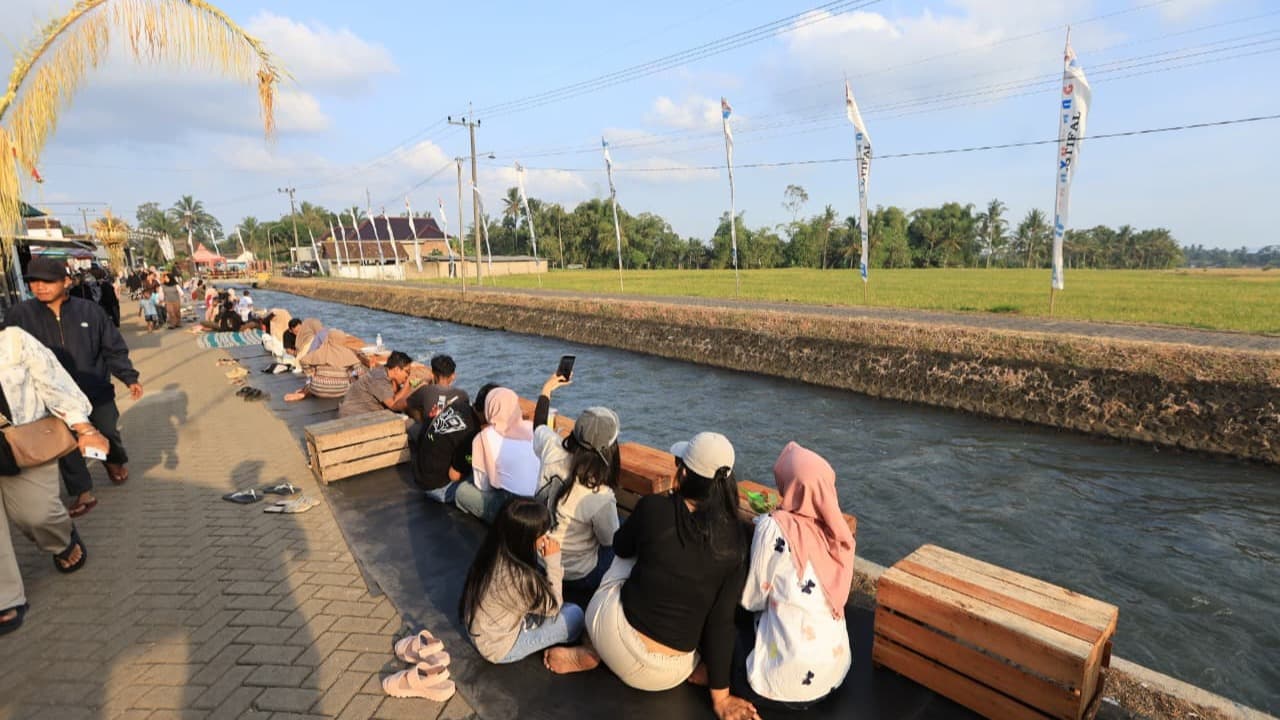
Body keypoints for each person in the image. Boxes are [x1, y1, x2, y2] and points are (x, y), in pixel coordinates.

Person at [545, 432, 757, 720]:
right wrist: (721, 698)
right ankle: (695, 668)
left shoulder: (655, 508)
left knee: (625, 559)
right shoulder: (735, 541)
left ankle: (591, 646)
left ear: (682, 474)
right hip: (668, 676)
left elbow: (620, 546)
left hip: (611, 637)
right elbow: (721, 622)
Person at [7, 257, 144, 510]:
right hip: (50, 396)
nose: (39, 287)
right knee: (66, 444)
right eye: (33, 282)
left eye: (47, 281)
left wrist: (129, 377)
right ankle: (83, 492)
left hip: (95, 388)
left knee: (108, 429)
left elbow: (112, 347)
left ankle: (113, 460)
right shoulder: (19, 316)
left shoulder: (90, 311)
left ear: (66, 281)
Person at [0, 323, 109, 636]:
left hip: (24, 439)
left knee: (37, 514)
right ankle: (5, 597)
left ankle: (60, 539)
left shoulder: (14, 340)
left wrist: (84, 428)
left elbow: (53, 382)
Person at [736, 442, 855, 710]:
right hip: (833, 673)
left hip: (783, 683)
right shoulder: (836, 533)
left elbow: (753, 599)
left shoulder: (772, 528)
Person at [458, 498, 584, 664]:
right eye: (542, 534)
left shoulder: (494, 549)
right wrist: (553, 563)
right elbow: (553, 607)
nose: (547, 537)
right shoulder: (518, 578)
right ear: (526, 539)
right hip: (498, 647)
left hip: (484, 630)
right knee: (574, 615)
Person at [533, 373, 621, 607]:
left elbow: (539, 427)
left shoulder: (551, 447)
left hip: (540, 558)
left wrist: (547, 390)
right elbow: (609, 540)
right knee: (619, 549)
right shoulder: (601, 495)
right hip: (577, 576)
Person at [455, 387, 538, 524]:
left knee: (461, 491)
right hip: (539, 502)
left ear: (489, 409)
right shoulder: (532, 427)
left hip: (513, 509)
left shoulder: (484, 437)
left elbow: (484, 486)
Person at [409, 381, 477, 504]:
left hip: (419, 475)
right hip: (438, 489)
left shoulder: (457, 406)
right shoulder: (472, 434)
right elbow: (454, 475)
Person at [285, 320, 362, 402]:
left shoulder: (321, 351)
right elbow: (359, 371)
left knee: (313, 377)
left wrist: (311, 373)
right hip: (341, 391)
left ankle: (305, 392)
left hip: (317, 389)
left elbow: (303, 361)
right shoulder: (347, 352)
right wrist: (351, 375)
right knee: (351, 373)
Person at [337, 350, 417, 418]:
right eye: (407, 372)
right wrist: (407, 384)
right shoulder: (379, 378)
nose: (408, 375)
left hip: (361, 413)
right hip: (353, 416)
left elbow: (393, 395)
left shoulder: (384, 372)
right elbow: (393, 405)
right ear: (396, 369)